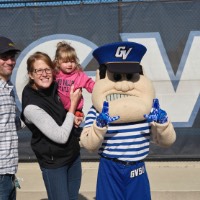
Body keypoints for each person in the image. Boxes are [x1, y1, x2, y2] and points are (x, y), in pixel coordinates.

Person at [80, 42, 176, 200]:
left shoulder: (151, 110)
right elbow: (88, 144)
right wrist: (99, 126)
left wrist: (163, 125)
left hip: (137, 168)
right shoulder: (97, 111)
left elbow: (166, 142)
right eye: (116, 77)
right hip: (110, 168)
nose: (124, 86)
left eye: (130, 76)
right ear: (100, 76)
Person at [21, 52, 83, 200]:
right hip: (54, 164)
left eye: (47, 69)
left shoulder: (57, 87)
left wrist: (75, 117)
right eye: (38, 70)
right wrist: (73, 106)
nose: (44, 74)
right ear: (31, 75)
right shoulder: (31, 106)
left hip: (73, 156)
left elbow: (65, 116)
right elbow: (60, 136)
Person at [0, 36, 22, 200]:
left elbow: (12, 125)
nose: (10, 61)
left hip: (9, 170)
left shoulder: (9, 88)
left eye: (12, 57)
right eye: (4, 57)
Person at [53, 41, 95, 119]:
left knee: (74, 127)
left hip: (76, 110)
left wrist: (98, 88)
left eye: (72, 61)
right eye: (65, 62)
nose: (69, 64)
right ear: (58, 62)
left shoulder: (79, 74)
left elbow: (89, 83)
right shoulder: (55, 74)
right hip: (59, 109)